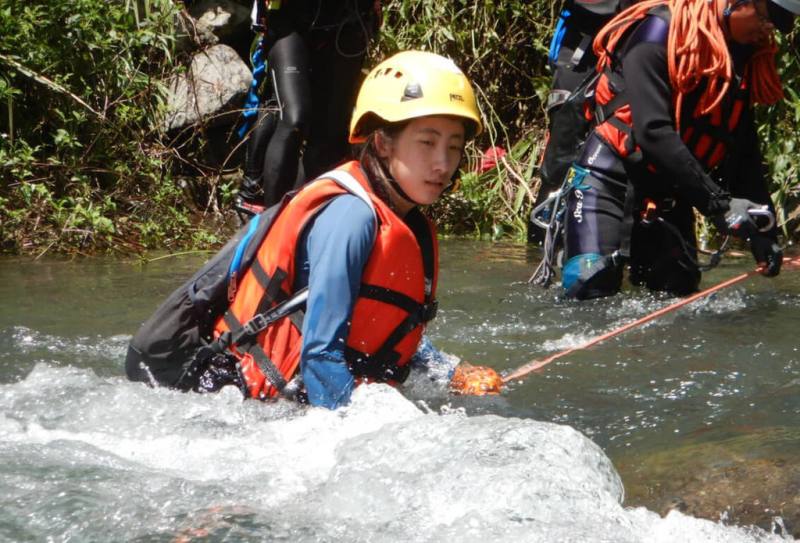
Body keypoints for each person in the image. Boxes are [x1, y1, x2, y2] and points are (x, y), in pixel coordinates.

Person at [202, 50, 503, 407]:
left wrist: (448, 372)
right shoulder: (351, 217)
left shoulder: (411, 225)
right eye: (427, 142)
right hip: (244, 406)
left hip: (302, 402)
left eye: (454, 147)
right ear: (382, 142)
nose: (442, 163)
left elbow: (383, 324)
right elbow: (321, 356)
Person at [557, 0, 796, 299]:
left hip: (668, 190)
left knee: (677, 291)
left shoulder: (740, 58)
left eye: (774, 25)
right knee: (590, 283)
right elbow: (653, 132)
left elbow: (744, 152)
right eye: (764, 17)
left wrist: (763, 234)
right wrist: (718, 206)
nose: (766, 29)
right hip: (610, 177)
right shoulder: (658, 33)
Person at [237, 0, 381, 215]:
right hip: (290, 22)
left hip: (349, 22)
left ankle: (300, 214)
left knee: (329, 139)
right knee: (295, 118)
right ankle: (271, 216)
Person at [532, 0, 640, 243]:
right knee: (563, 152)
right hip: (585, 44)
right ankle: (544, 243)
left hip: (639, 37)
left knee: (632, 146)